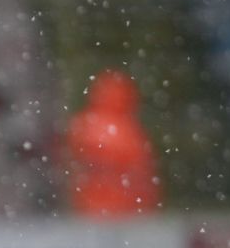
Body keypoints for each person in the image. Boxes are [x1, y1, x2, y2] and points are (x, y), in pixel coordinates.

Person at [63, 69, 161, 219]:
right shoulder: (130, 132)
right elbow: (143, 174)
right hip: (123, 211)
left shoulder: (83, 125)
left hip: (92, 210)